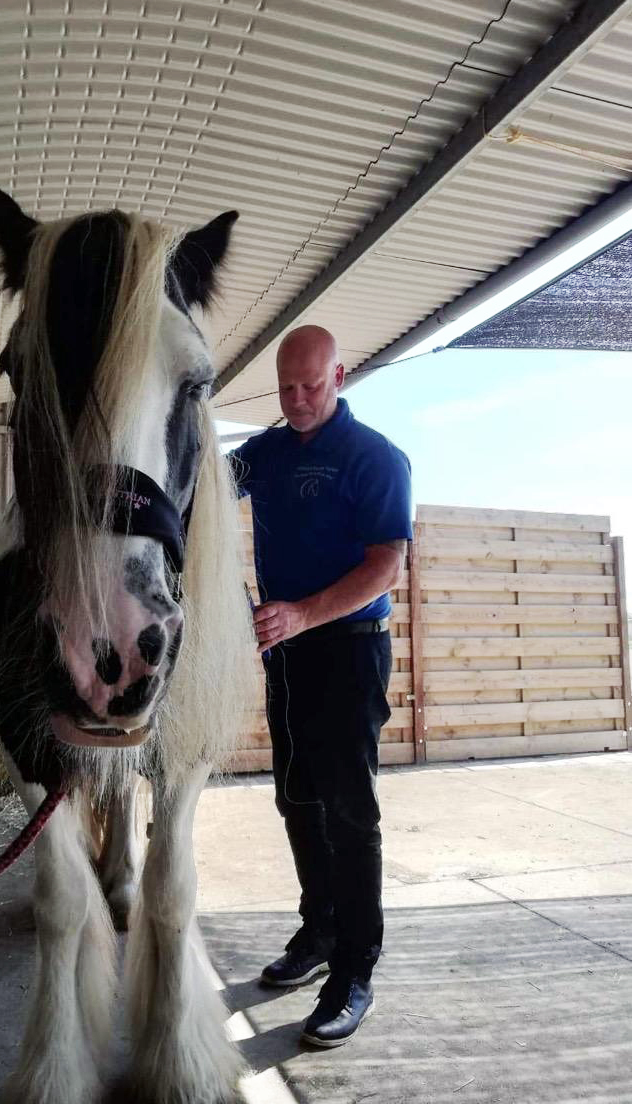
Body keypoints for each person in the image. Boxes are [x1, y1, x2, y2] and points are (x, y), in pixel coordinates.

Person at [230, 324, 412, 1048]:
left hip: (348, 648)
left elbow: (384, 565)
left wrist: (303, 613)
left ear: (340, 375)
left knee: (348, 812)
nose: (298, 400)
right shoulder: (265, 453)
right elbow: (198, 485)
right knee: (296, 798)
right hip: (287, 652)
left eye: (311, 385)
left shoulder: (374, 457)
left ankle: (355, 967)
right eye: (286, 387)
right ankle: (318, 933)